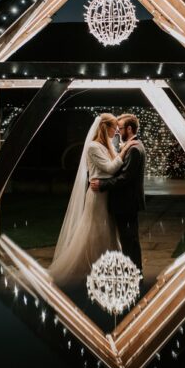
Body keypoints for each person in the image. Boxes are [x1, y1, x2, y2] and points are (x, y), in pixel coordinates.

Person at [47, 113, 138, 286]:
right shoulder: (93, 147)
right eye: (114, 128)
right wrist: (125, 150)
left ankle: (108, 266)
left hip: (106, 194)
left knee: (108, 230)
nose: (117, 132)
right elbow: (110, 168)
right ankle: (93, 266)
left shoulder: (109, 145)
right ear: (105, 128)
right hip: (97, 196)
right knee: (95, 230)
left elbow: (116, 169)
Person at [90, 114, 146, 276]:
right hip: (127, 202)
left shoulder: (134, 148)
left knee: (129, 241)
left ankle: (135, 274)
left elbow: (125, 178)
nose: (117, 132)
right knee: (129, 240)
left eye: (120, 128)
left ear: (129, 129)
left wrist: (103, 184)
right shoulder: (132, 146)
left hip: (127, 203)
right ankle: (134, 272)